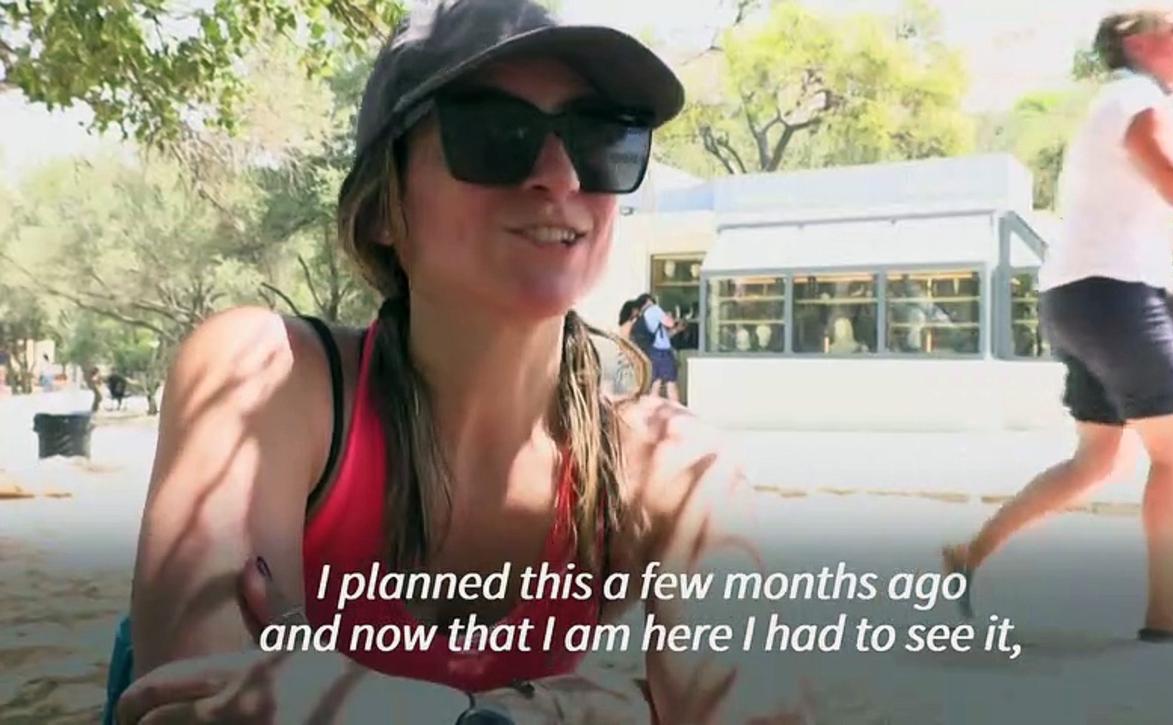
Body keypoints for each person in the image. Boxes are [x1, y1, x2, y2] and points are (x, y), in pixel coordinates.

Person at [110, 2, 808, 723]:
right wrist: (600, 708)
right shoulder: (264, 376)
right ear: (383, 206)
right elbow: (185, 704)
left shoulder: (671, 465)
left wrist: (386, 706)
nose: (560, 175)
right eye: (495, 132)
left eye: (602, 138)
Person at [942, 6, 1173, 648]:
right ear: (1139, 44)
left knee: (1096, 458)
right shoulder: (1139, 98)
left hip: (1081, 298)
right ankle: (1164, 618)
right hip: (1116, 300)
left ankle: (968, 554)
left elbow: (1123, 213)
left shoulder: (1117, 105)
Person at [635, 292, 684, 401]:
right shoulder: (655, 310)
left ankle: (652, 409)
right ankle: (676, 409)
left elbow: (662, 335)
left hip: (652, 351)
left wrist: (675, 330)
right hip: (663, 352)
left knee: (656, 382)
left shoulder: (645, 315)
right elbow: (670, 323)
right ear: (648, 301)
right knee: (671, 382)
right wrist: (672, 319)